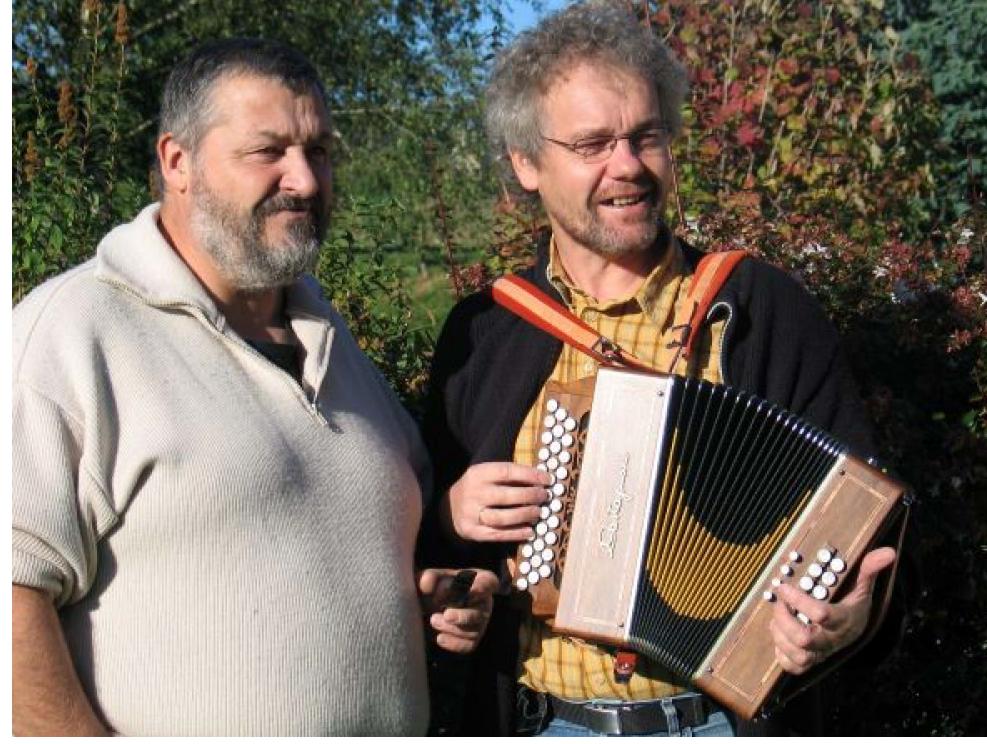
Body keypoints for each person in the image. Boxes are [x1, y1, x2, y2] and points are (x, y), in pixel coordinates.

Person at [421, 0, 907, 736]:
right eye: (592, 144)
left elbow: (863, 516)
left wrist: (852, 615)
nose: (627, 166)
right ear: (526, 163)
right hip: (544, 720)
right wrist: (451, 524)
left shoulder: (759, 309)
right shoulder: (485, 331)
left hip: (723, 719)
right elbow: (427, 556)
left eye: (645, 137)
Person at [11, 38, 498, 736]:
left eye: (319, 151)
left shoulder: (332, 344)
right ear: (177, 162)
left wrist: (431, 595)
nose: (303, 178)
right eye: (266, 151)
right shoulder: (73, 333)